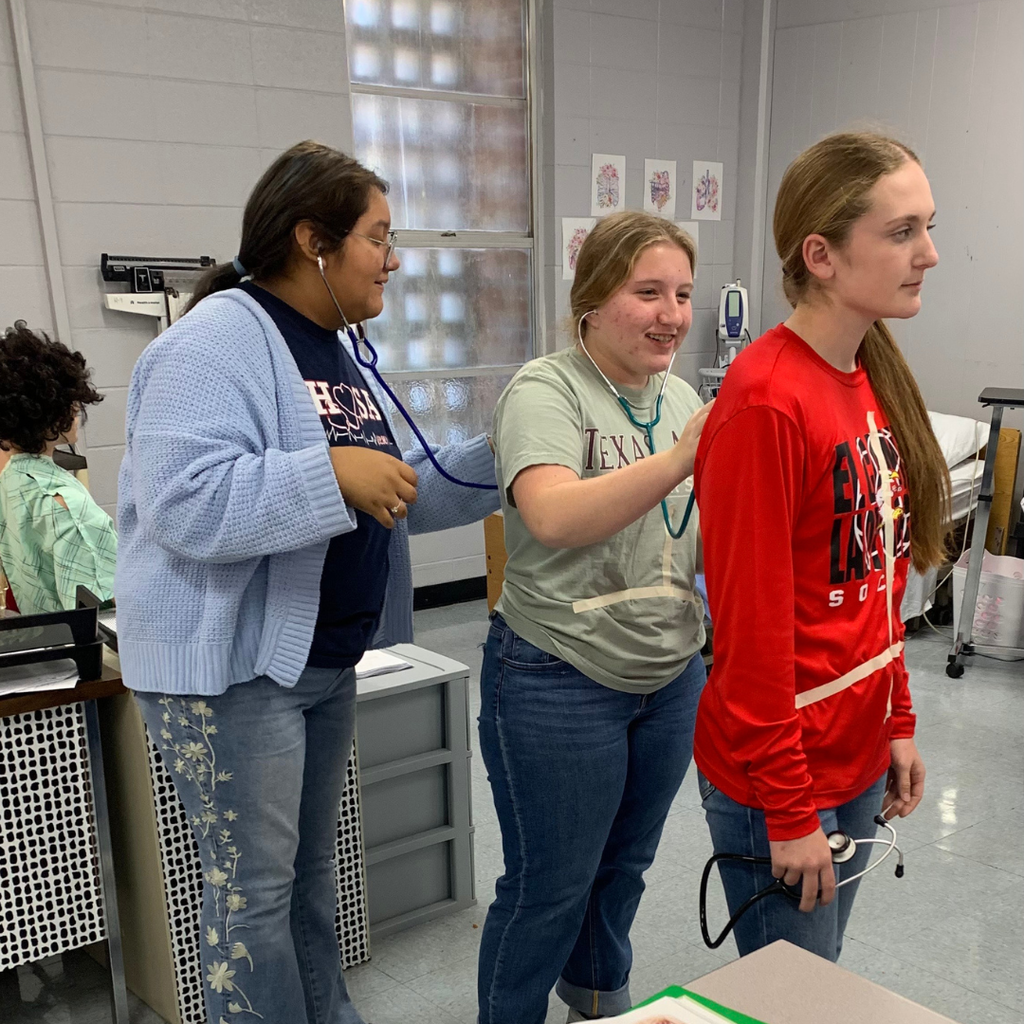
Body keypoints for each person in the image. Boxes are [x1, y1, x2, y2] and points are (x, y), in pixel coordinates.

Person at [115, 140, 499, 1024]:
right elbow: (184, 505)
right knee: (252, 899)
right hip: (232, 670)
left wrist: (509, 451)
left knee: (309, 881)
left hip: (319, 663)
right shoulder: (210, 344)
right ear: (312, 241)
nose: (393, 259)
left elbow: (395, 488)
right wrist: (329, 475)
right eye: (378, 237)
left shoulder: (334, 350)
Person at [693, 132, 950, 961]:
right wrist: (789, 807)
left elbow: (878, 585)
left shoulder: (869, 376)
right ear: (822, 255)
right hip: (782, 775)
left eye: (928, 228)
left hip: (855, 755)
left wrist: (896, 722)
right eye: (902, 232)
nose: (929, 254)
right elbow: (751, 637)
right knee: (796, 998)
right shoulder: (767, 401)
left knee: (819, 982)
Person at [477, 211, 713, 1024]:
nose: (672, 314)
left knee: (623, 870)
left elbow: (697, 532)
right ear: (593, 298)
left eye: (682, 293)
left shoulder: (680, 396)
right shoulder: (546, 390)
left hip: (670, 673)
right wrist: (680, 457)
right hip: (558, 673)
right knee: (549, 886)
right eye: (648, 292)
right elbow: (552, 516)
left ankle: (599, 1004)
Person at [0, 324, 116, 614]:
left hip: (44, 632)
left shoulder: (10, 480)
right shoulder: (65, 504)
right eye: (70, 402)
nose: (76, 410)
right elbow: (101, 607)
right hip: (82, 639)